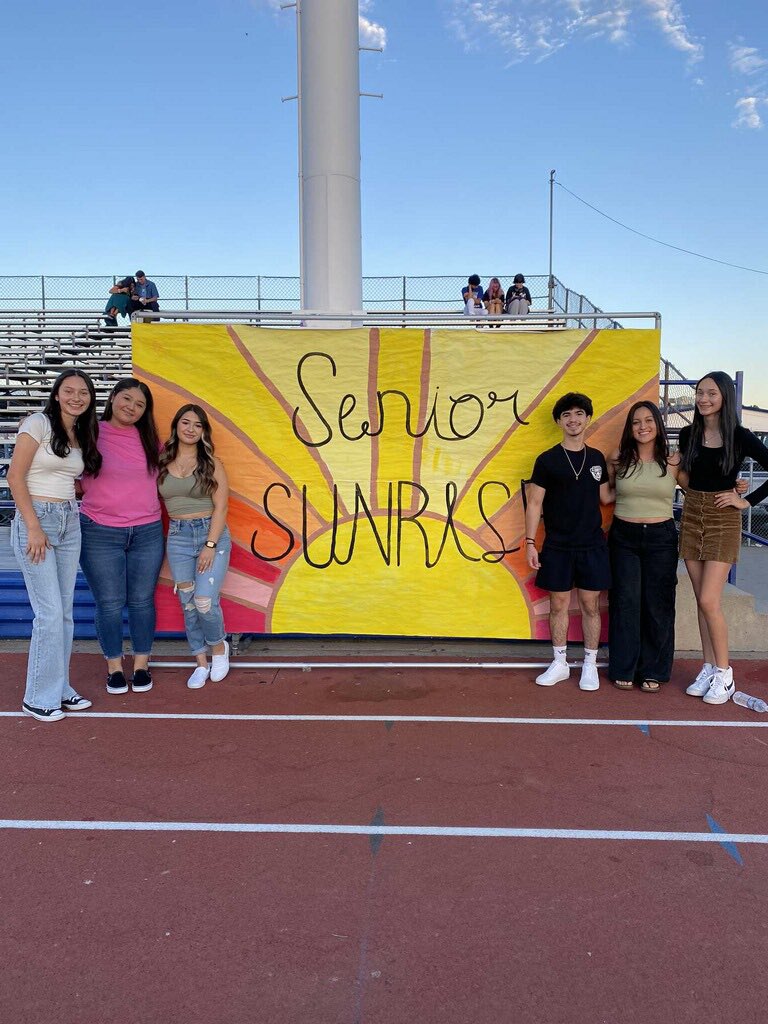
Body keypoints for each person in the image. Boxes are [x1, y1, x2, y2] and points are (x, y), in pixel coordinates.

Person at [7, 369, 101, 721]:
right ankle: (38, 696)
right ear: (58, 394)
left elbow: (69, 478)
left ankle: (59, 687)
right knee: (48, 615)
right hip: (38, 520)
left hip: (68, 520)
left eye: (84, 392)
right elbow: (15, 476)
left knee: (63, 613)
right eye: (70, 391)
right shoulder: (38, 423)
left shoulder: (79, 432)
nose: (77, 397)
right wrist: (33, 526)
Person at [678, 371, 768, 705]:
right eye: (700, 392)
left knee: (709, 600)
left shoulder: (740, 435)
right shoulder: (688, 434)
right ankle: (709, 667)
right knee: (701, 599)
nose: (703, 399)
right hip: (692, 513)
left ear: (725, 397)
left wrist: (745, 499)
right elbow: (687, 480)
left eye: (711, 393)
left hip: (722, 517)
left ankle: (726, 675)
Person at [79, 378, 165, 695]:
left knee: (142, 602)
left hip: (147, 531)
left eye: (140, 405)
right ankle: (115, 668)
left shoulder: (152, 442)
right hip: (99, 531)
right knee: (110, 604)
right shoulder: (89, 432)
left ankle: (141, 666)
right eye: (127, 399)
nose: (132, 407)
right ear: (113, 397)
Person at [524, 392, 612, 691]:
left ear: (588, 418)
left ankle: (590, 664)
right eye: (566, 415)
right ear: (559, 421)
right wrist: (530, 543)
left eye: (578, 413)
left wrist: (635, 478)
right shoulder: (547, 460)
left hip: (592, 544)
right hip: (558, 545)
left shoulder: (597, 458)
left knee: (590, 604)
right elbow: (534, 503)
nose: (573, 419)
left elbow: (605, 497)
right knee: (558, 603)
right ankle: (560, 663)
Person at [606, 402, 682, 692]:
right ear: (630, 427)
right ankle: (624, 667)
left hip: (661, 538)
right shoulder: (617, 458)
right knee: (625, 601)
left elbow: (700, 490)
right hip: (624, 536)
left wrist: (735, 489)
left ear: (658, 425)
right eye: (636, 422)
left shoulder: (674, 461)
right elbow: (607, 494)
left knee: (658, 605)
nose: (643, 426)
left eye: (649, 420)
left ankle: (654, 670)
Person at [158, 404, 231, 689]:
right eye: (185, 423)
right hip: (177, 536)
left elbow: (222, 507)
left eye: (197, 425)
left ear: (203, 431)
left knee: (204, 601)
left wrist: (210, 545)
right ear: (176, 426)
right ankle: (200, 662)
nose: (190, 429)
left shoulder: (212, 462)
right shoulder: (162, 461)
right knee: (188, 604)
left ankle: (219, 649)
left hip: (210, 533)